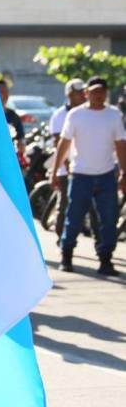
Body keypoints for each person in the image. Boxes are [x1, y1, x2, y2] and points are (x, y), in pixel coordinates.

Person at [52, 77, 126, 276]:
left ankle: (105, 259)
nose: (98, 95)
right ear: (87, 93)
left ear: (106, 93)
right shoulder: (76, 115)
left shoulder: (114, 115)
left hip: (105, 176)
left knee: (109, 220)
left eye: (102, 91)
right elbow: (64, 144)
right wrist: (56, 172)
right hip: (80, 175)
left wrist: (124, 173)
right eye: (94, 92)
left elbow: (120, 145)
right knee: (73, 218)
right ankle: (66, 255)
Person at [49, 79, 89, 240]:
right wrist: (66, 165)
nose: (83, 96)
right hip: (67, 170)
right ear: (70, 94)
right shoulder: (60, 115)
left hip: (85, 168)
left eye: (83, 93)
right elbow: (59, 142)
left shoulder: (87, 112)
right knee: (65, 204)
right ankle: (61, 239)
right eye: (79, 93)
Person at [0, 79, 25, 153]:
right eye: (1, 92)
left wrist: (21, 145)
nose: (4, 95)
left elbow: (20, 137)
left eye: (6, 92)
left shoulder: (13, 116)